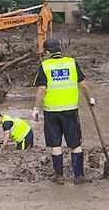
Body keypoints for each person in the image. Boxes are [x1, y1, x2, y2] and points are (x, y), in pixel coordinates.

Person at [32, 38, 95, 185]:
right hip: (71, 110)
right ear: (60, 48)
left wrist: (36, 109)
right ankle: (78, 176)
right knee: (75, 143)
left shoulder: (44, 66)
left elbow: (41, 89)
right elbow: (83, 85)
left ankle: (59, 176)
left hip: (51, 111)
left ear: (47, 52)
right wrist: (89, 99)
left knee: (55, 144)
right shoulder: (71, 63)